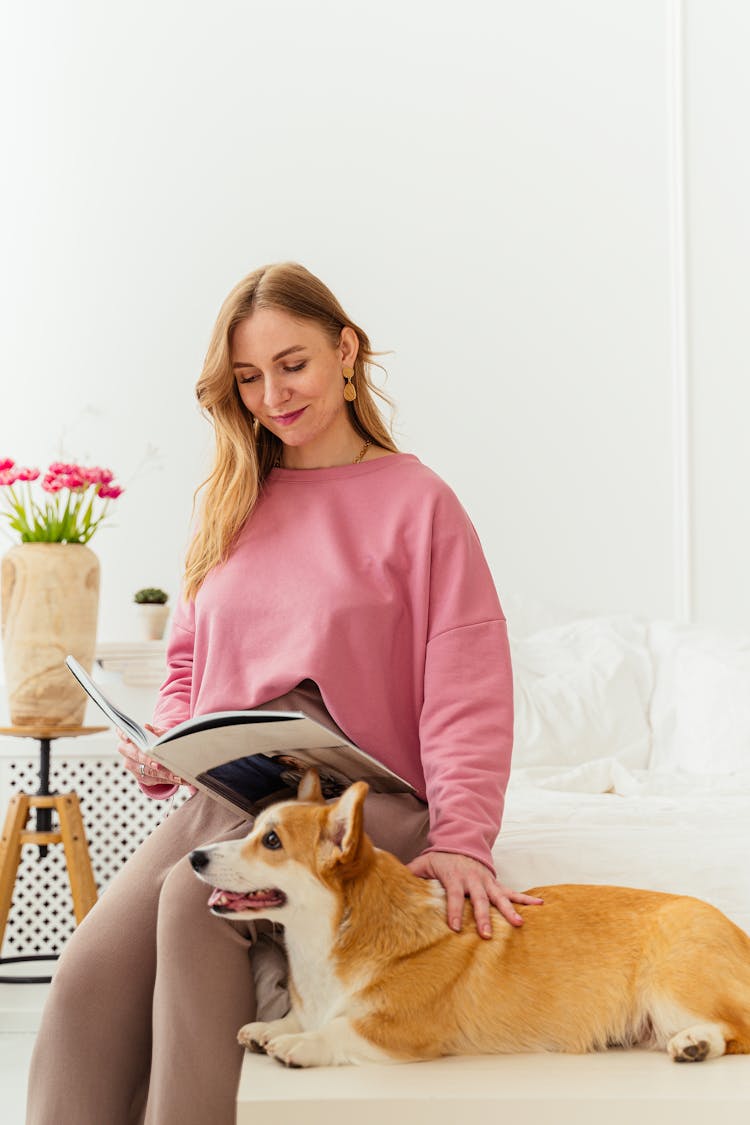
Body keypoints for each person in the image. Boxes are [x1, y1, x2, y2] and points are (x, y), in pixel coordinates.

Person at [26, 262, 541, 1125]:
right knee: (85, 980)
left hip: (355, 807)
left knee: (197, 902)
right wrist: (159, 740)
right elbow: (187, 665)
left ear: (346, 350)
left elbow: (466, 686)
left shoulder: (420, 504)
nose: (272, 394)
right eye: (248, 378)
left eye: (291, 364)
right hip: (228, 792)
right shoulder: (232, 500)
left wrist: (465, 839)